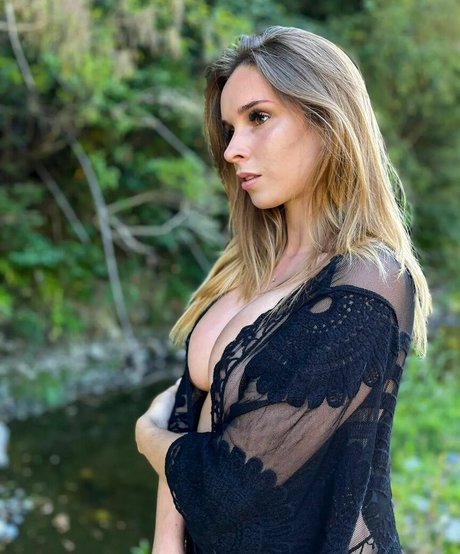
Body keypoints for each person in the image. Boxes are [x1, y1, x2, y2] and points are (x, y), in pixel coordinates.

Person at [135, 25, 432, 554]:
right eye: (229, 128)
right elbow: (192, 406)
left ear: (327, 121)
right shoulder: (246, 268)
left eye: (258, 118)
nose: (233, 149)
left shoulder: (370, 282)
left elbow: (234, 486)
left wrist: (148, 436)